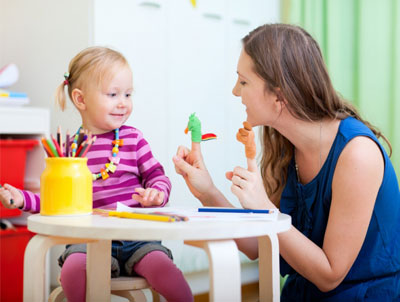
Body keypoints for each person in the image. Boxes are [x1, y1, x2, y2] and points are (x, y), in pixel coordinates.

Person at [173, 24, 400, 301]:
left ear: (279, 95)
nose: (235, 91)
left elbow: (330, 275)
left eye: (243, 82)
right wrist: (207, 190)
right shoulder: (284, 146)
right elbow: (258, 244)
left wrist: (266, 209)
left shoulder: (357, 154)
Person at [0, 46, 193, 302]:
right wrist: (24, 199)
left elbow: (157, 175)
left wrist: (157, 193)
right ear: (81, 99)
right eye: (113, 94)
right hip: (88, 240)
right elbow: (56, 202)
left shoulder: (133, 139)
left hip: (138, 239)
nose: (123, 102)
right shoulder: (69, 149)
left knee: (166, 272)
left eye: (128, 94)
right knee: (72, 270)